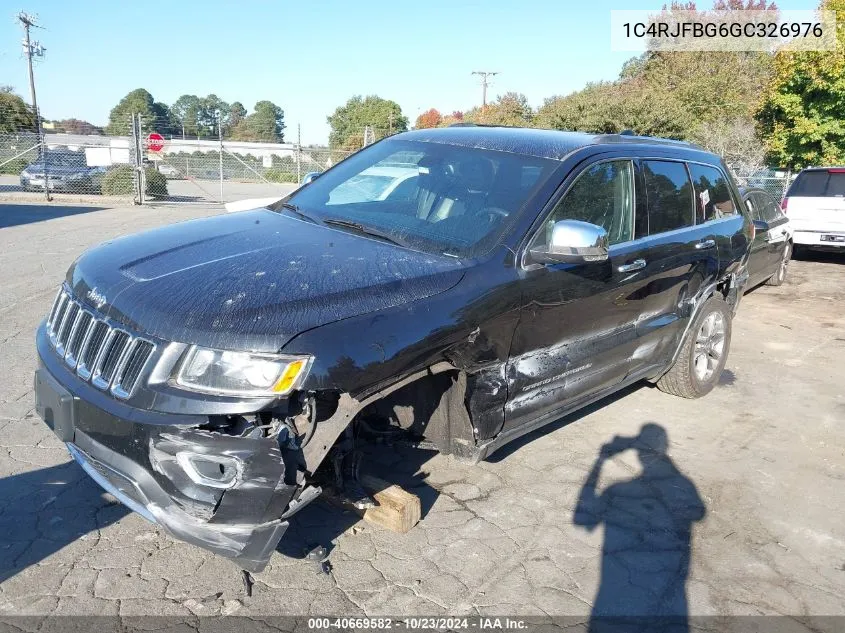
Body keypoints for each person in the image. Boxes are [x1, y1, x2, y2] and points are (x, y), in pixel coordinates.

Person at [574, 423, 706, 633]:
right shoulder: (683, 484)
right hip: (668, 593)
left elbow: (582, 519)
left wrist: (600, 460)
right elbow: (698, 513)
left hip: (616, 594)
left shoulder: (616, 491)